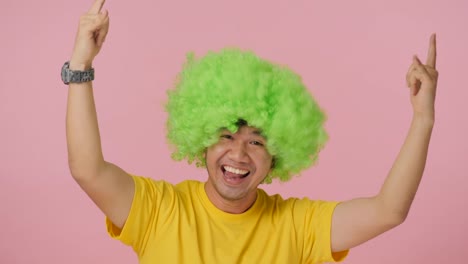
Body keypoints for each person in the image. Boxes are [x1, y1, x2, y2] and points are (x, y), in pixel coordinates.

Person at [62, 0, 438, 263]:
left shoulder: (296, 225)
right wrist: (80, 65)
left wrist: (423, 119)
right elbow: (87, 170)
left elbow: (388, 211)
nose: (239, 154)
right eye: (226, 135)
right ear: (203, 141)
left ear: (277, 155)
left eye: (256, 141)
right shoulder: (161, 209)